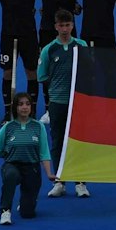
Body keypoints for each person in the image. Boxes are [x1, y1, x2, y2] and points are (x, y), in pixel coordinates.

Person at [35, 11, 91, 199]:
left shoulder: (82, 46)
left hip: (79, 103)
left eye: (68, 25)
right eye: (61, 25)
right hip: (57, 102)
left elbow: (90, 71)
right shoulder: (49, 50)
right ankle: (59, 181)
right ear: (56, 27)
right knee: (58, 141)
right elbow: (41, 75)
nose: (65, 29)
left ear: (73, 26)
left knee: (79, 142)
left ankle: (81, 182)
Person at [0, 92, 55, 225]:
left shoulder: (39, 127)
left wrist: (49, 173)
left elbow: (44, 152)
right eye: (20, 104)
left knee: (28, 213)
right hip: (12, 165)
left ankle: (26, 202)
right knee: (10, 175)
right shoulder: (8, 127)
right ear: (15, 107)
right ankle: (5, 211)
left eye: (27, 104)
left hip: (32, 167)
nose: (24, 107)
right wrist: (9, 155)